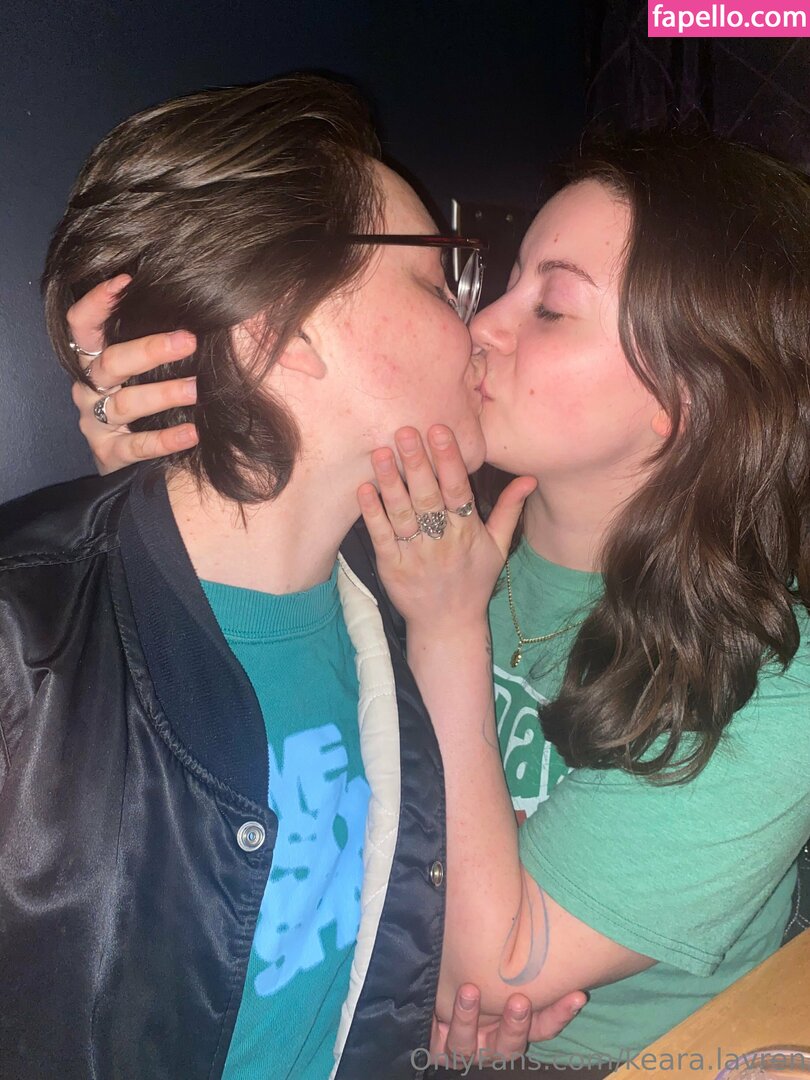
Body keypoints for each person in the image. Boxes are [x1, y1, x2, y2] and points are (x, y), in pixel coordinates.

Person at [80, 131, 810, 1069]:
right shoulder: (415, 526)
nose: (484, 326)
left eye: (551, 308)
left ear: (690, 394)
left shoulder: (771, 677)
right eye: (502, 285)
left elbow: (492, 974)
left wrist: (450, 634)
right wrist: (161, 472)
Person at [0, 75, 583, 1080]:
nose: (477, 323)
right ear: (284, 331)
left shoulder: (405, 629)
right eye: (437, 282)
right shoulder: (23, 652)